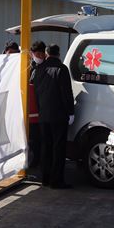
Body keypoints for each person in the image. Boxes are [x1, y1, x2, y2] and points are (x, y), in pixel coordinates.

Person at [30, 42, 75, 188]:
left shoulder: (39, 69)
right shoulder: (62, 69)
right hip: (59, 115)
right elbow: (66, 93)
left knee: (46, 147)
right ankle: (57, 181)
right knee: (58, 148)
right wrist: (71, 112)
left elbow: (35, 92)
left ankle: (46, 178)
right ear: (59, 54)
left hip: (43, 115)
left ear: (47, 53)